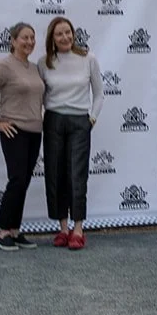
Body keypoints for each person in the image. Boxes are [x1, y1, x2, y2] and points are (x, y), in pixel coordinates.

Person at [0, 23, 45, 251]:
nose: (29, 42)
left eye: (32, 38)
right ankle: (3, 231)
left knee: (23, 182)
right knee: (16, 180)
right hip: (14, 130)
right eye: (24, 37)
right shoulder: (5, 66)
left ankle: (15, 230)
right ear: (13, 41)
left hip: (35, 132)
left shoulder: (35, 68)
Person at [40, 16, 104, 250]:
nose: (65, 37)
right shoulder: (44, 62)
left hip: (80, 121)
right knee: (56, 175)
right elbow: (40, 94)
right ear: (52, 39)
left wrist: (91, 119)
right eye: (59, 34)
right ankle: (63, 228)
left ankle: (78, 228)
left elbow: (99, 93)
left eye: (68, 32)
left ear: (73, 34)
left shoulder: (89, 59)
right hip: (54, 121)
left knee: (77, 175)